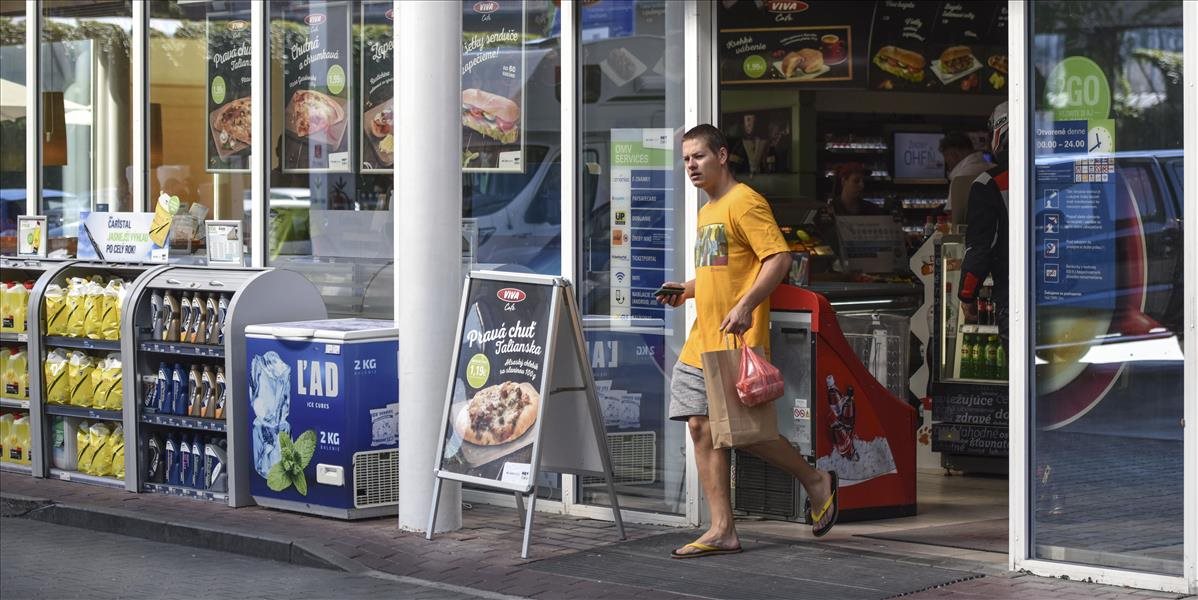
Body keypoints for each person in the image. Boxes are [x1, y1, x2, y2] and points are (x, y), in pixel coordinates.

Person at [656, 124, 838, 559]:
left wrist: (746, 306)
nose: (691, 166)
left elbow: (778, 258)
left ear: (722, 155)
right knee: (700, 427)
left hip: (737, 339)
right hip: (702, 339)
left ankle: (815, 480)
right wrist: (686, 289)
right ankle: (723, 530)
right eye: (685, 160)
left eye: (698, 156)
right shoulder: (709, 210)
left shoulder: (746, 202)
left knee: (743, 433)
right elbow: (718, 272)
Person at [958, 102, 1009, 343]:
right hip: (1069, 295)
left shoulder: (988, 183)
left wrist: (967, 296)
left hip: (1014, 298)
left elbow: (980, 247)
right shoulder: (1063, 175)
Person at [939, 131, 995, 225]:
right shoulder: (995, 168)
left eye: (946, 156)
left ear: (954, 153)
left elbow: (953, 215)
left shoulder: (960, 176)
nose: (946, 162)